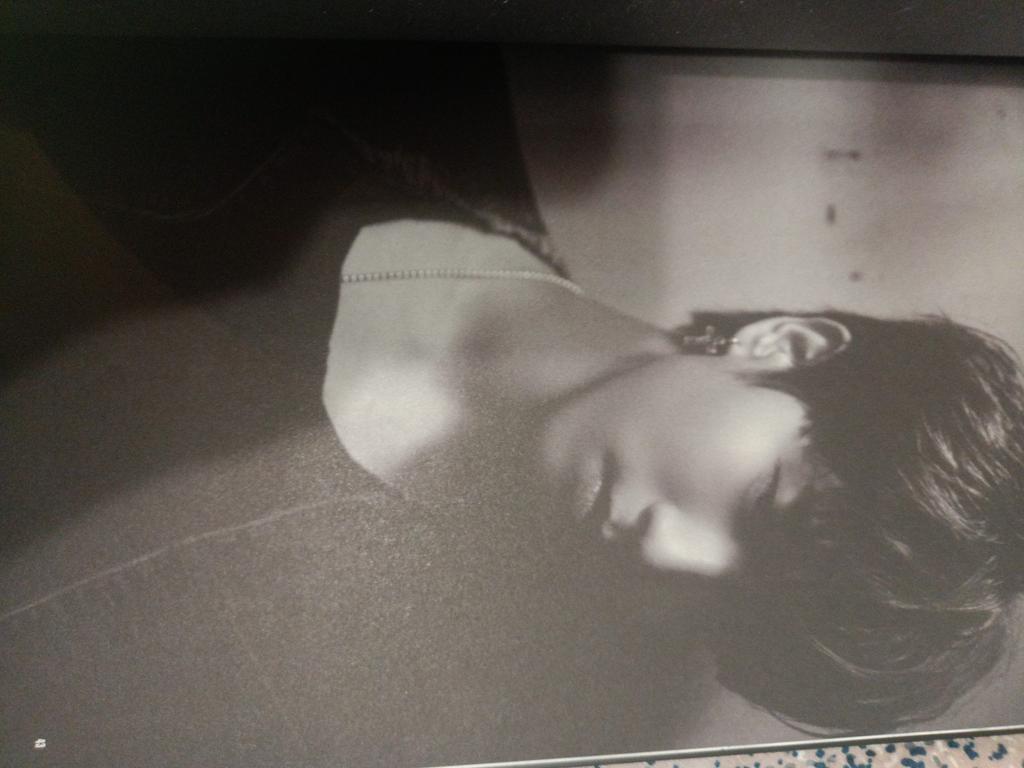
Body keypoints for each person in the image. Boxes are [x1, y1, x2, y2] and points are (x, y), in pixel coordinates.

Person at [2, 40, 1023, 767]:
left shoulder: (445, 709)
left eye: (727, 610)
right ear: (783, 347)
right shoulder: (416, 82)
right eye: (760, 508)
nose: (673, 556)